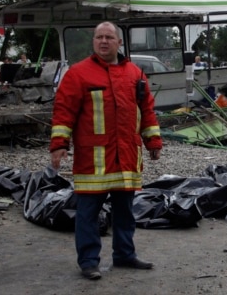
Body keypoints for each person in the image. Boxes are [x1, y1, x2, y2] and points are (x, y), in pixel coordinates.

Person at [50, 21, 162, 280]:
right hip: (93, 160)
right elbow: (64, 111)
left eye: (109, 37)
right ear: (93, 42)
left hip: (126, 158)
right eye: (99, 37)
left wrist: (153, 142)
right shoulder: (79, 74)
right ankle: (89, 262)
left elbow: (147, 110)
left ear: (118, 43)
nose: (103, 41)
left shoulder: (135, 74)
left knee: (125, 212)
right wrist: (59, 145)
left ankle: (125, 254)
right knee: (88, 214)